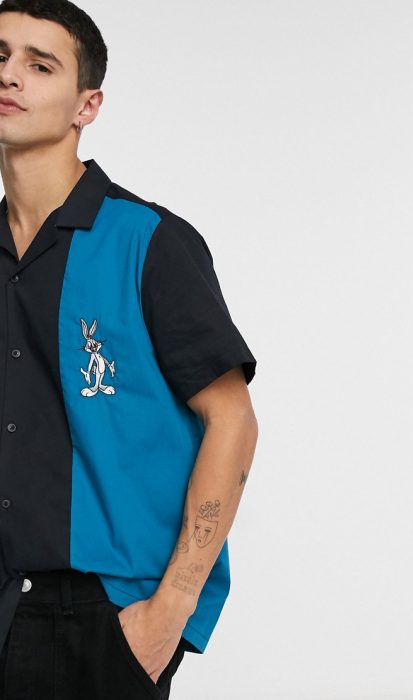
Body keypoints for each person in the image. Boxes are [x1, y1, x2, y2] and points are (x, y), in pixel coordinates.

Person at [0, 0, 258, 698]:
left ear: (87, 105)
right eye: (0, 57)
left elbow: (232, 420)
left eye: (40, 65)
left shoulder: (147, 241)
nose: (10, 75)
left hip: (104, 616)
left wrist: (171, 610)